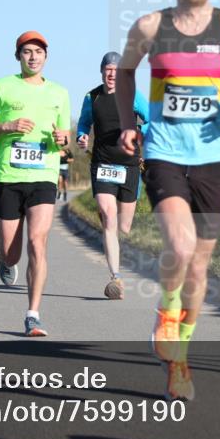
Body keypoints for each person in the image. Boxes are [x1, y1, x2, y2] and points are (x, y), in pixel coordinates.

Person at [116, 0, 220, 401]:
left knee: (200, 266)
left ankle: (180, 360)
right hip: (165, 151)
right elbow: (126, 72)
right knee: (180, 247)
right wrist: (128, 123)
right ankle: (166, 311)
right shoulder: (149, 26)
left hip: (213, 157)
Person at [0, 30, 72, 337]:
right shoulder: (2, 87)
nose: (33, 57)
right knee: (12, 251)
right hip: (9, 177)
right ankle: (4, 260)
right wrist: (7, 125)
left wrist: (63, 140)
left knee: (37, 243)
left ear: (46, 56)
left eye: (39, 52)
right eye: (27, 51)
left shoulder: (59, 93)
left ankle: (33, 315)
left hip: (43, 175)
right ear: (18, 56)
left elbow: (66, 139)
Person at [76, 52, 150, 300]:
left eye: (116, 70)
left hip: (129, 166)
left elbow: (152, 120)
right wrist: (82, 136)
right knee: (109, 217)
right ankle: (115, 278)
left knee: (125, 227)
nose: (111, 74)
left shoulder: (133, 94)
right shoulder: (92, 97)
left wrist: (140, 131)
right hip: (103, 164)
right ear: (101, 72)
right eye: (107, 69)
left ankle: (119, 248)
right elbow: (84, 123)